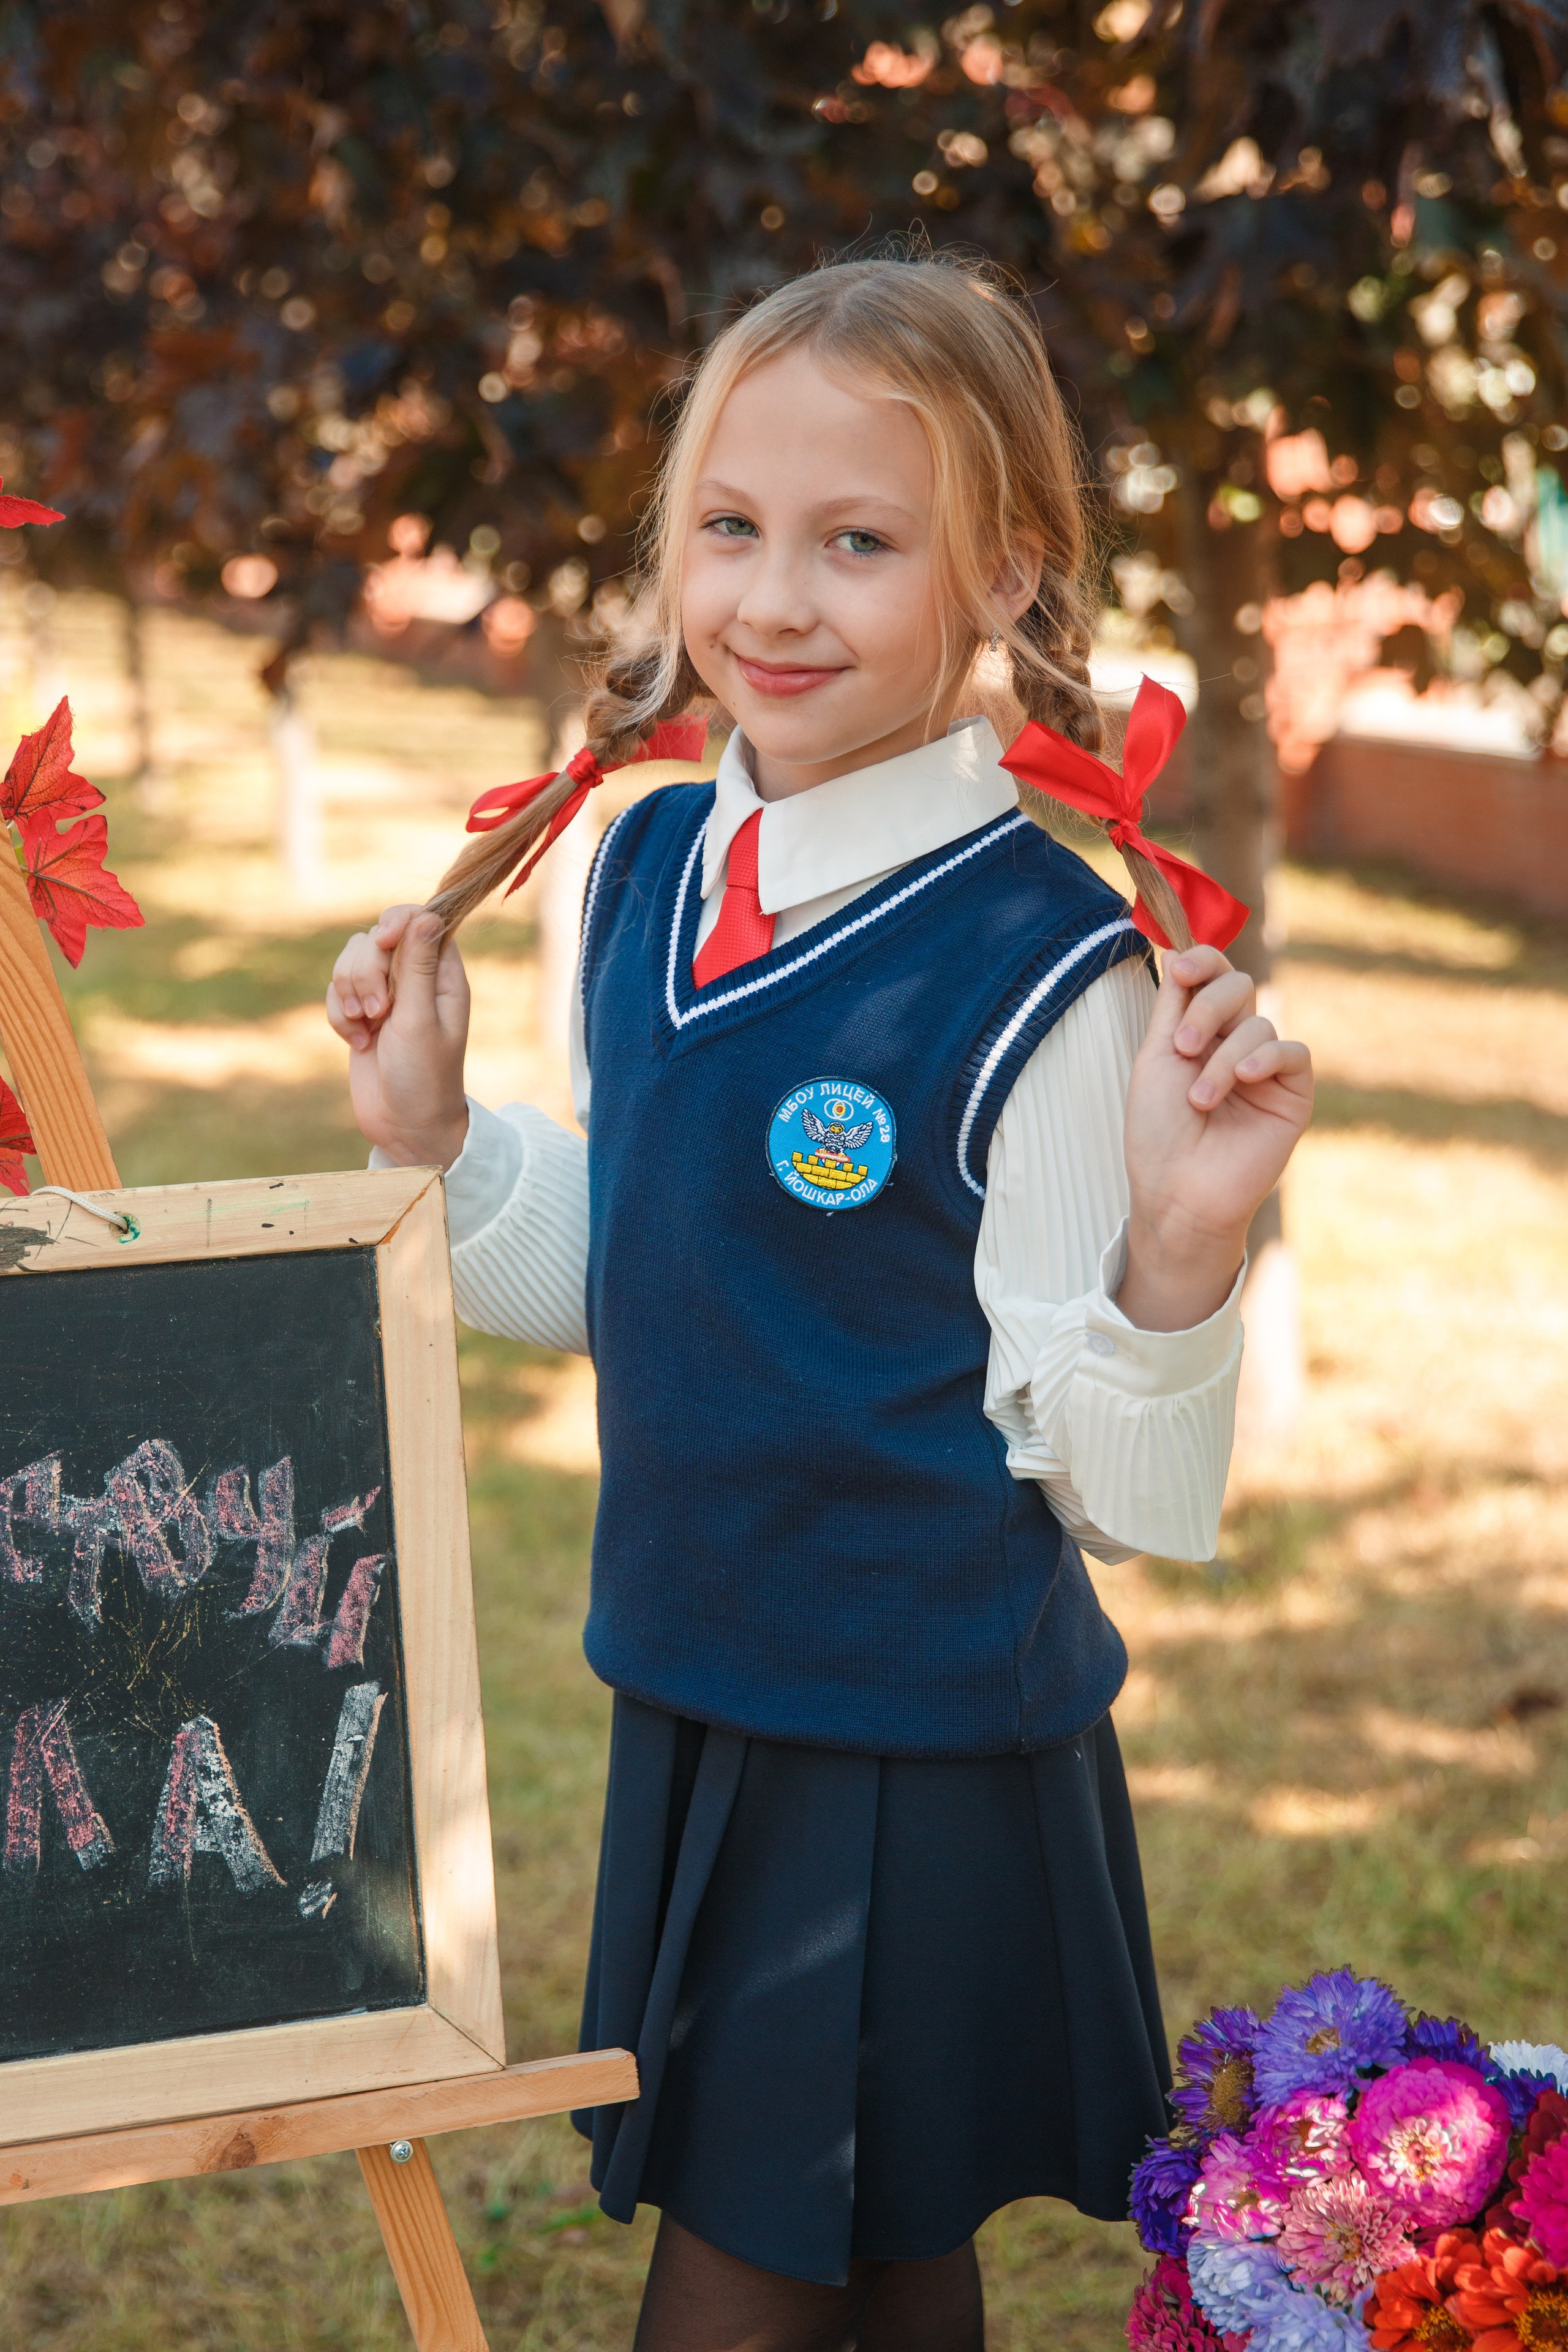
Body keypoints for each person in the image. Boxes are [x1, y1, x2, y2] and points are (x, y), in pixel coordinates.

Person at [327, 253, 1313, 2352]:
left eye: (858, 544)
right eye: (732, 529)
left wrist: (1184, 1253)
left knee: (749, 2269)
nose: (776, 600)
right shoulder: (639, 867)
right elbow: (658, 1279)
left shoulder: (1052, 972)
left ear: (1006, 579)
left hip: (911, 1732)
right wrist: (439, 1142)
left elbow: (1118, 1489)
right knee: (880, 2255)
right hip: (705, 1675)